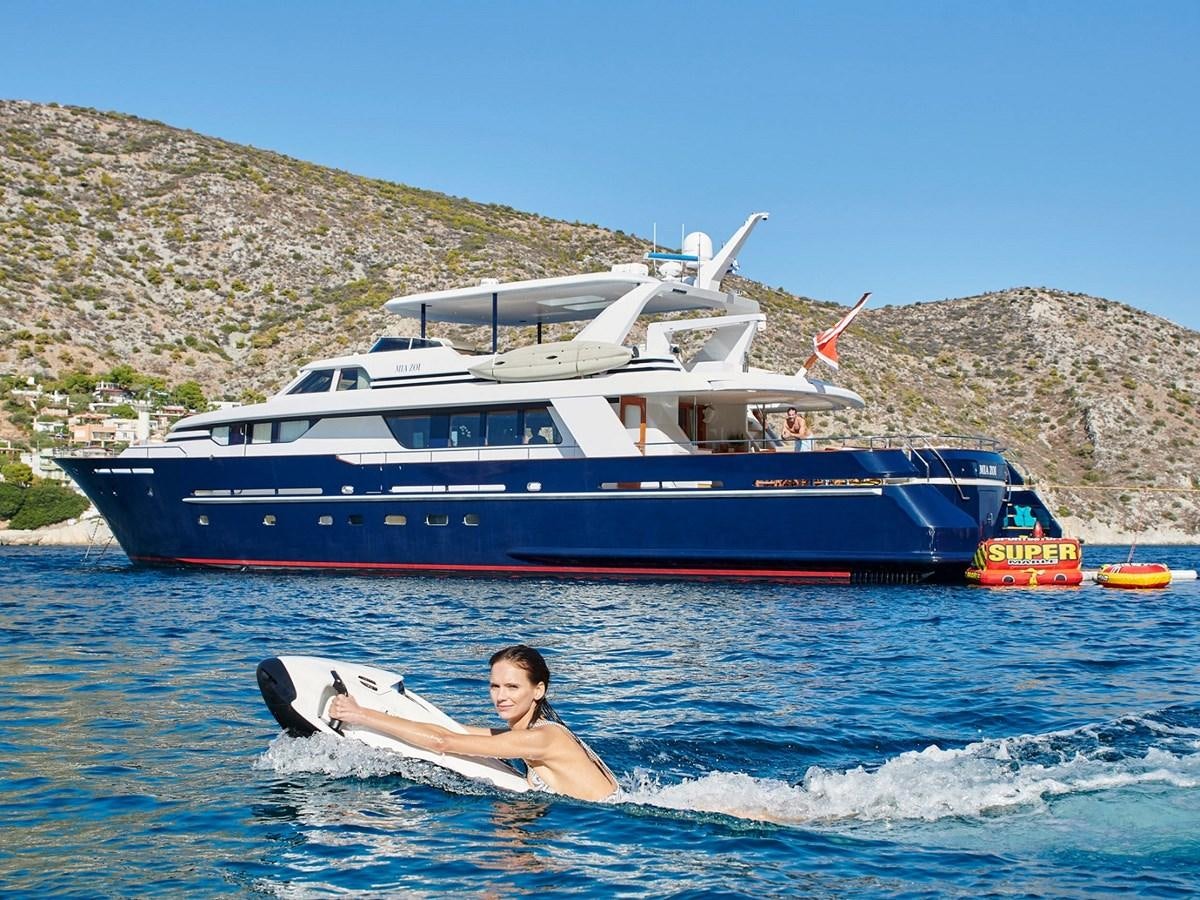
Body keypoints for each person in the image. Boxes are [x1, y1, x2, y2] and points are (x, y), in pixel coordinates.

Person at [328, 644, 619, 802]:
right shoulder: (531, 732)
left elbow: (443, 742)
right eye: (495, 686)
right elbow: (455, 731)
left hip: (602, 832)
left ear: (538, 690)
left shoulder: (541, 738)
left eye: (512, 687)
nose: (501, 697)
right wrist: (391, 713)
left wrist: (361, 715)